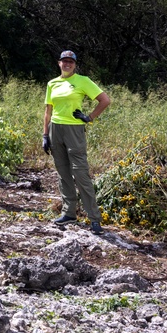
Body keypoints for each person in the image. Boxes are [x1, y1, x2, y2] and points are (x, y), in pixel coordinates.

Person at [43, 50, 111, 235]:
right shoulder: (52, 83)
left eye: (70, 62)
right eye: (64, 61)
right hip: (56, 130)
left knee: (80, 174)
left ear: (75, 64)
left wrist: (89, 117)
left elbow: (105, 100)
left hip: (74, 130)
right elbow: (48, 111)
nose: (67, 64)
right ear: (59, 63)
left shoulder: (83, 81)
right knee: (63, 173)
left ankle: (94, 218)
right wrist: (45, 134)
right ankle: (69, 213)